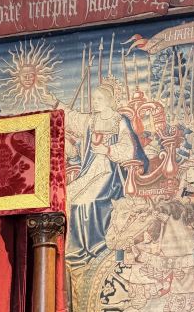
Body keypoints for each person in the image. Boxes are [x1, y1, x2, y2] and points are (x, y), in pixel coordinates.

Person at [50, 81, 149, 268]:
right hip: (90, 171)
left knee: (86, 201)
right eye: (93, 98)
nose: (94, 102)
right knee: (68, 196)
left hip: (110, 174)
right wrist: (54, 102)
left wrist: (108, 149)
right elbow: (73, 118)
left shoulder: (119, 120)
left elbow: (129, 147)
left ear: (109, 100)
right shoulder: (91, 120)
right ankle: (74, 250)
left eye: (98, 98)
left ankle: (94, 247)